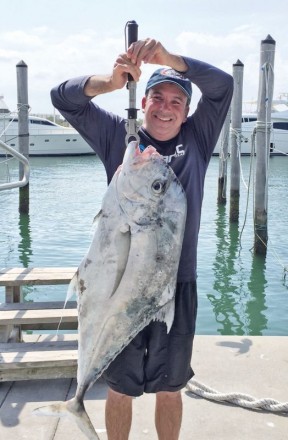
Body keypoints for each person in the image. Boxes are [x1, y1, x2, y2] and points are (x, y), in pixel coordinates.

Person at [51, 38, 233, 440]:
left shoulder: (199, 137)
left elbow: (222, 86)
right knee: (120, 388)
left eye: (175, 101)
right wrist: (110, 82)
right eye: (157, 97)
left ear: (187, 112)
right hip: (119, 288)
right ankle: (81, 400)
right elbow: (63, 99)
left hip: (176, 286)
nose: (165, 108)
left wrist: (170, 61)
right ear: (144, 101)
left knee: (171, 388)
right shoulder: (121, 137)